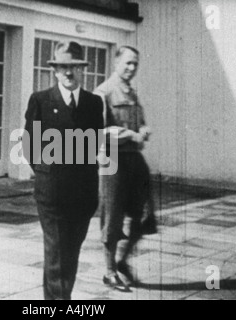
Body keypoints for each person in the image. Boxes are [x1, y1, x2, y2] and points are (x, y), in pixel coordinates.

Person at [23, 41, 104, 300]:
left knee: (69, 254)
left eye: (74, 67)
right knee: (57, 254)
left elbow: (96, 144)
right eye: (63, 67)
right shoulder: (41, 100)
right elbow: (29, 146)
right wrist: (48, 173)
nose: (68, 73)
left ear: (82, 70)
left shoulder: (94, 103)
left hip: (83, 196)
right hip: (53, 195)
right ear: (55, 70)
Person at [94, 46, 153, 292]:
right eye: (128, 63)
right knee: (113, 218)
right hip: (113, 161)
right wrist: (130, 134)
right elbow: (97, 131)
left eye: (135, 64)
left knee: (145, 215)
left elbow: (141, 123)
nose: (132, 68)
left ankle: (123, 261)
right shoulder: (103, 93)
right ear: (116, 62)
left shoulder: (132, 93)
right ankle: (109, 272)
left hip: (134, 160)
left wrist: (144, 131)